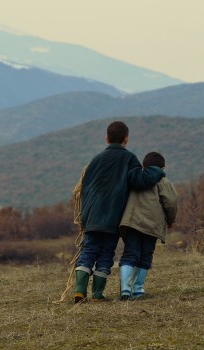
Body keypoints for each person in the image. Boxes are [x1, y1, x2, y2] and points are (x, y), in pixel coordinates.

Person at [74, 121, 165, 303]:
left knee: (89, 250)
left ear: (106, 138)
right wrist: (156, 170)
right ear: (126, 139)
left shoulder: (96, 159)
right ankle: (98, 294)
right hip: (112, 217)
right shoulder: (129, 158)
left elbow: (85, 188)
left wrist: (84, 216)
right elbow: (139, 180)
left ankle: (79, 291)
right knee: (106, 253)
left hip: (91, 216)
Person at [118, 151, 178, 300]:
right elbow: (171, 203)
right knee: (146, 255)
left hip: (132, 222)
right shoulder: (163, 182)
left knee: (130, 253)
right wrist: (170, 220)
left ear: (143, 165)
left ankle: (125, 288)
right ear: (162, 168)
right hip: (152, 224)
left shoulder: (133, 178)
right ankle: (138, 289)